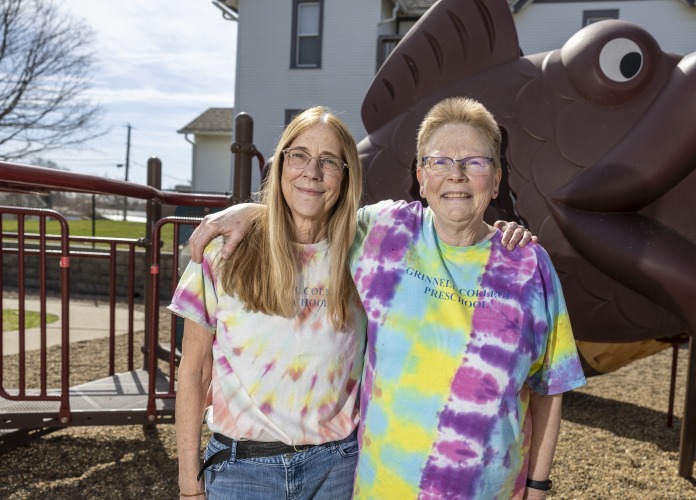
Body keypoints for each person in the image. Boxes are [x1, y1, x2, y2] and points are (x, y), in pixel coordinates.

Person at [189, 97, 586, 499]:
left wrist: (538, 486)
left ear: (497, 178)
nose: (457, 175)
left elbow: (550, 386)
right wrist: (247, 212)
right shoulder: (384, 233)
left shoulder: (528, 266)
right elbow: (312, 205)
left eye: (474, 162)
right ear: (420, 175)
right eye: (440, 161)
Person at [171, 107, 366, 499]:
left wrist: (500, 233)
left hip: (337, 468)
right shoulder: (223, 253)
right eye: (299, 155)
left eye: (329, 161)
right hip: (241, 468)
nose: (312, 171)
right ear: (279, 166)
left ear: (346, 177)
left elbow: (448, 223)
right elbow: (193, 371)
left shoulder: (366, 254)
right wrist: (189, 479)